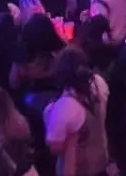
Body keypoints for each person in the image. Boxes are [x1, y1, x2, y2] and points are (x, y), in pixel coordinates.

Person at [44, 48, 110, 176]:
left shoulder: (65, 106)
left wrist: (48, 117)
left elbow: (55, 148)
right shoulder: (99, 82)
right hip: (101, 164)